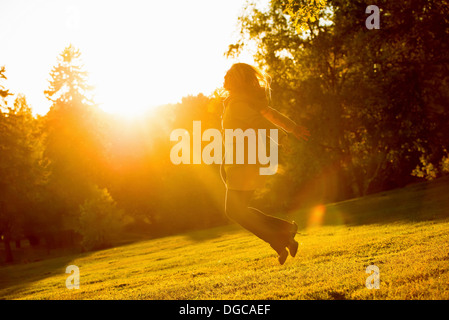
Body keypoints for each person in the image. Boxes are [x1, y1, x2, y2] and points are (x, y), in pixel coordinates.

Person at [221, 63, 310, 265]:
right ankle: (283, 239)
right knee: (239, 210)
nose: (224, 77)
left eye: (228, 75)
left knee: (235, 211)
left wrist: (282, 136)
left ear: (236, 81)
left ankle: (284, 233)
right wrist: (292, 127)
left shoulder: (238, 104)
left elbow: (261, 122)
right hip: (240, 161)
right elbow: (271, 115)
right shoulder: (239, 101)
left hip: (244, 163)